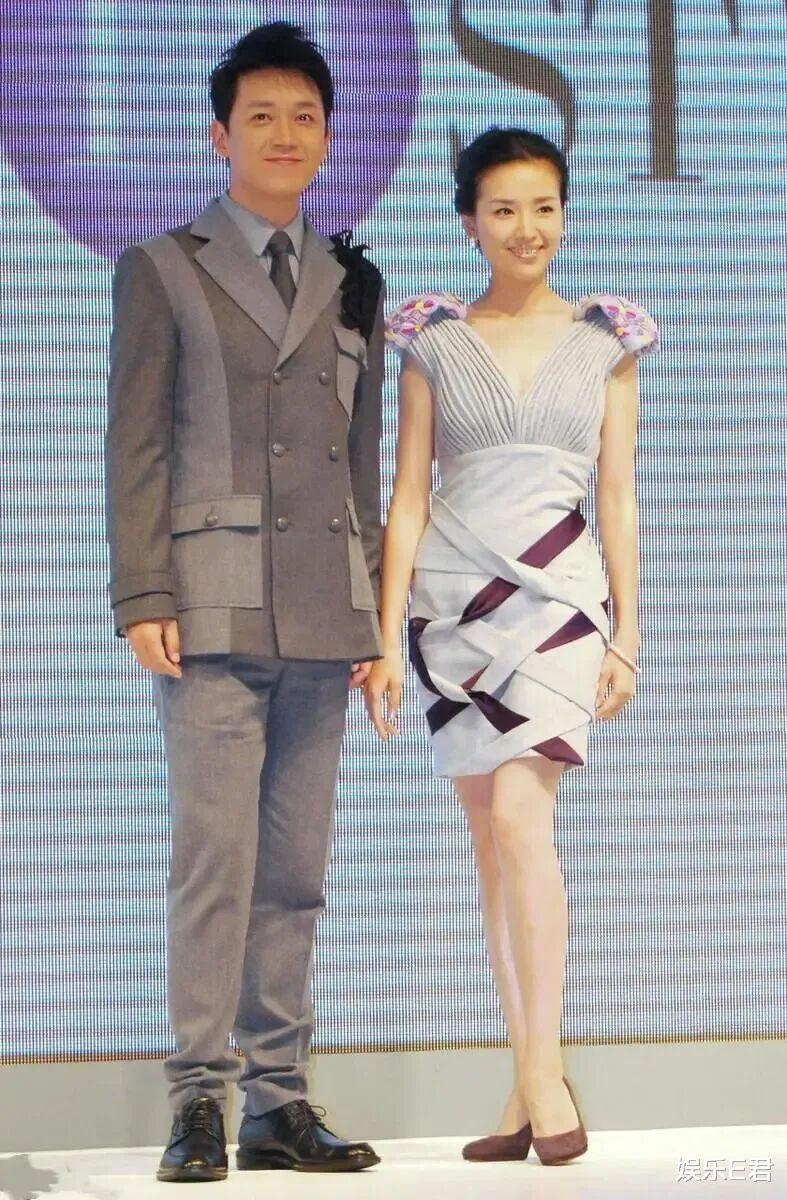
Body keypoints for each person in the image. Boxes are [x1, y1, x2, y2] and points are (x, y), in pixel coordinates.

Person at [104, 21, 385, 1182]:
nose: (284, 134)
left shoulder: (352, 282)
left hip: (323, 610)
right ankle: (198, 1100)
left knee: (296, 872)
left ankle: (279, 1102)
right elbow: (135, 445)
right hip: (210, 607)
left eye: (303, 117)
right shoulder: (161, 267)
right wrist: (143, 590)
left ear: (326, 139)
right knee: (213, 864)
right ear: (219, 136)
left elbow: (361, 465)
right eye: (260, 116)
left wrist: (374, 618)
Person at [365, 127, 660, 1166]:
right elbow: (407, 499)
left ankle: (544, 1073)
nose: (525, 228)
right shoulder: (432, 340)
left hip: (560, 606)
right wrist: (386, 637)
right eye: (502, 210)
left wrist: (628, 630)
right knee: (489, 842)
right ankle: (527, 1078)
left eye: (542, 208)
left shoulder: (606, 340)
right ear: (469, 222)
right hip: (453, 610)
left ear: (564, 215)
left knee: (526, 821)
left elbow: (615, 496)